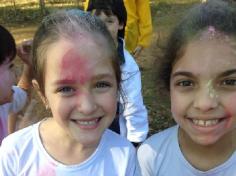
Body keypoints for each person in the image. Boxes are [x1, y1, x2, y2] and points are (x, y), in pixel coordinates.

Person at [0, 10, 137, 175]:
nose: (87, 107)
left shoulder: (124, 156)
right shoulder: (15, 153)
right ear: (43, 94)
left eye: (101, 84)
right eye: (66, 89)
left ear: (117, 84)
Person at [137, 0, 236, 175]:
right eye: (186, 83)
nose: (205, 104)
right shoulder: (150, 158)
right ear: (168, 88)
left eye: (229, 82)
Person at [87, 0, 148, 146]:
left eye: (109, 21)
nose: (101, 27)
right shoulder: (81, 55)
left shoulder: (127, 66)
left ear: (120, 24)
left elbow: (133, 106)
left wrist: (135, 141)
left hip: (114, 135)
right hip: (86, 127)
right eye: (96, 21)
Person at [84, 0, 153, 58]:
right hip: (100, 35)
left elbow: (143, 8)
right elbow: (90, 7)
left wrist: (143, 40)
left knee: (124, 67)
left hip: (129, 38)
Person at [0, 25, 32, 144]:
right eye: (10, 67)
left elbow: (23, 94)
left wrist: (28, 65)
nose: (14, 76)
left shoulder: (2, 104)